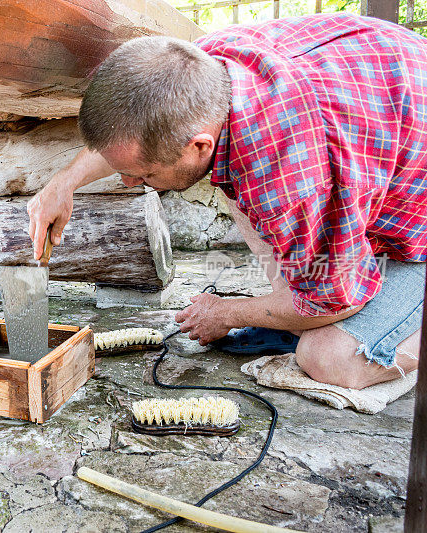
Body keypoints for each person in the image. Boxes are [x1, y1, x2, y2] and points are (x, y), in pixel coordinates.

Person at [27, 13, 427, 389]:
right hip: (389, 155)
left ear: (199, 144)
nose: (132, 182)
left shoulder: (287, 176)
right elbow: (132, 139)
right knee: (254, 213)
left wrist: (228, 312)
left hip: (417, 228)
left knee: (328, 356)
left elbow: (335, 301)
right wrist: (64, 182)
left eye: (145, 174)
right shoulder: (200, 70)